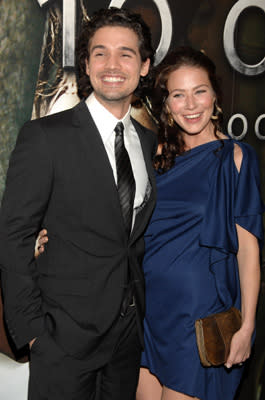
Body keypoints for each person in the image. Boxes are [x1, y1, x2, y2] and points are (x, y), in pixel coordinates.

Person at [0, 7, 157, 400]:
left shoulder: (149, 142)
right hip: (62, 340)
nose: (112, 64)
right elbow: (14, 235)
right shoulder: (45, 137)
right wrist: (33, 331)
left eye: (126, 53)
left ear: (144, 66)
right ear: (85, 65)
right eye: (100, 53)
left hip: (127, 339)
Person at [136, 47, 264, 400]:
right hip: (149, 309)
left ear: (215, 96)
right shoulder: (155, 157)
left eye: (199, 91)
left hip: (196, 314)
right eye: (179, 95)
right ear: (167, 103)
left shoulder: (235, 158)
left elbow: (248, 250)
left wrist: (247, 324)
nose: (191, 105)